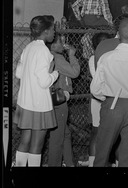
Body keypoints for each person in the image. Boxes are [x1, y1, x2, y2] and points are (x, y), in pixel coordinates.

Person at [90, 18, 128, 167]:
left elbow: (95, 89)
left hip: (111, 105)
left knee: (102, 151)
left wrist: (107, 97)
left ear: (118, 34)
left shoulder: (106, 58)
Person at [13, 15, 59, 166]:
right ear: (45, 31)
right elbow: (45, 82)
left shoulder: (28, 47)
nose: (54, 33)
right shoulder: (44, 52)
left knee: (25, 141)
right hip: (39, 105)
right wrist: (54, 73)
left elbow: (18, 74)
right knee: (36, 146)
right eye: (53, 29)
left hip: (25, 102)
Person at [47, 34, 80, 167]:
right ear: (53, 45)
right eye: (61, 42)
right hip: (59, 101)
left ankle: (69, 162)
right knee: (57, 138)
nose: (64, 44)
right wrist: (72, 55)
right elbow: (74, 72)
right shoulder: (58, 58)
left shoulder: (49, 55)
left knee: (65, 134)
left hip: (53, 100)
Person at [82, 32, 112, 167]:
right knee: (97, 130)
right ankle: (93, 162)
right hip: (101, 97)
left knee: (107, 131)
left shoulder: (100, 57)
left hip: (102, 97)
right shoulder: (94, 58)